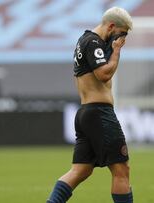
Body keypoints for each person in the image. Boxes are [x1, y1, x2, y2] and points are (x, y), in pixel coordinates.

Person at [46, 7, 133, 203]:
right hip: (99, 113)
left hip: (86, 112)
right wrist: (117, 51)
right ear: (111, 26)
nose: (122, 39)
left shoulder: (84, 41)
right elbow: (103, 75)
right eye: (122, 33)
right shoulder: (93, 43)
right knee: (121, 169)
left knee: (81, 170)